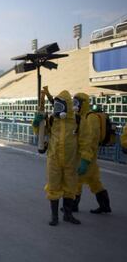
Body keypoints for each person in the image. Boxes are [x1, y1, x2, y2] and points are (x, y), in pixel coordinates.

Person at [33, 90, 90, 226]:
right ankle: (54, 216)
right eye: (55, 107)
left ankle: (68, 214)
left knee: (70, 187)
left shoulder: (77, 121)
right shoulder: (52, 119)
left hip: (71, 161)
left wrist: (85, 159)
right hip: (54, 160)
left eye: (60, 107)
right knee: (53, 186)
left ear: (67, 106)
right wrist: (36, 123)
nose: (57, 110)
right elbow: (41, 132)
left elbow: (85, 141)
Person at [72, 93, 111, 214]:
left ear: (83, 103)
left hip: (87, 155)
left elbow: (91, 138)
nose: (75, 106)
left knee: (77, 179)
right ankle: (105, 206)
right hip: (88, 155)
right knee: (94, 180)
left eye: (76, 103)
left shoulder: (90, 117)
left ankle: (73, 206)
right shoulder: (80, 116)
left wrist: (85, 157)